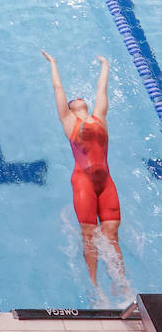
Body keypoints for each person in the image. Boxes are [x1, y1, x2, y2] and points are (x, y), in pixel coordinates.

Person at [41, 51, 126, 288]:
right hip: (83, 183)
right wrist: (54, 63)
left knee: (111, 233)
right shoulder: (69, 121)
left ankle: (121, 284)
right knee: (89, 234)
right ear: (70, 107)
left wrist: (105, 65)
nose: (77, 96)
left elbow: (102, 90)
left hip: (107, 182)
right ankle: (94, 285)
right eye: (73, 98)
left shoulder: (100, 117)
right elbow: (58, 89)